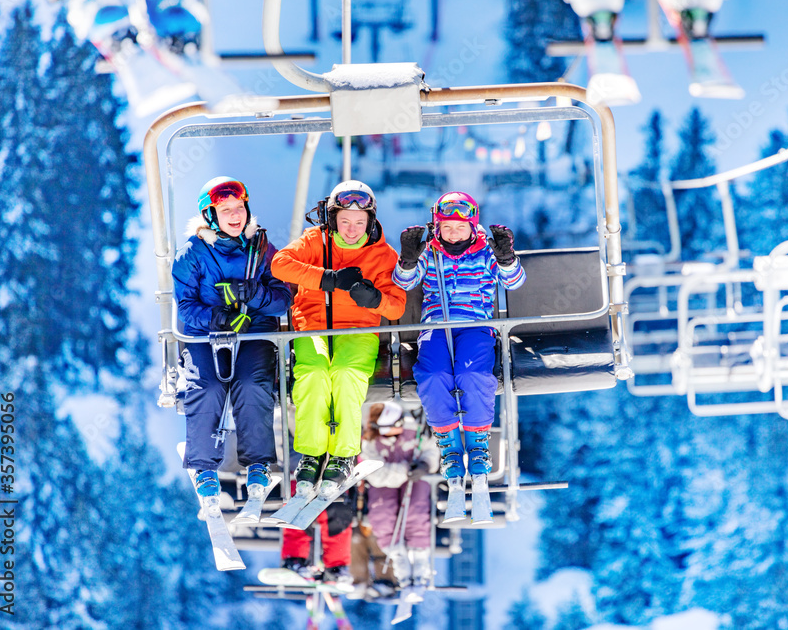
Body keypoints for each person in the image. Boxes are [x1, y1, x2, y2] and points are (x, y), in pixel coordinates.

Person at [391, 192, 525, 522]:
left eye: (459, 228)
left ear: (472, 226)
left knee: (471, 374)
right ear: (437, 228)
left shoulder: (485, 253)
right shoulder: (431, 253)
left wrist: (507, 258)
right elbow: (403, 283)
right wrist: (408, 259)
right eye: (446, 228)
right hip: (438, 325)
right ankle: (450, 446)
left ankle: (478, 445)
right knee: (433, 374)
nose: (453, 234)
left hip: (477, 325)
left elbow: (515, 282)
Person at [271, 180, 406, 500]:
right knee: (314, 373)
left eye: (360, 223)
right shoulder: (314, 242)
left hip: (358, 331)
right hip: (312, 327)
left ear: (371, 222)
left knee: (346, 374)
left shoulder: (383, 255)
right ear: (331, 219)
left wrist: (375, 300)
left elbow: (397, 305)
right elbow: (280, 265)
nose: (351, 229)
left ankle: (344, 454)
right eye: (344, 221)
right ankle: (313, 453)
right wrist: (326, 279)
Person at [171, 177, 292, 502]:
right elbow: (185, 306)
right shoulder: (192, 255)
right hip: (205, 336)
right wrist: (213, 317)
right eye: (226, 210)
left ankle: (258, 463)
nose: (236, 215)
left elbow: (284, 299)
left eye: (239, 208)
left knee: (253, 383)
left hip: (254, 331)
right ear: (210, 216)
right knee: (206, 386)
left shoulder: (262, 249)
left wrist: (256, 295)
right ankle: (204, 466)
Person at [361, 401, 439, 601]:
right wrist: (404, 471)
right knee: (381, 513)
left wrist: (424, 465)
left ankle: (420, 556)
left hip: (415, 479)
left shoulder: (416, 430)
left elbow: (432, 450)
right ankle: (397, 556)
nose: (385, 433)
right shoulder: (370, 439)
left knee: (416, 509)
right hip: (385, 482)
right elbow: (374, 472)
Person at [279, 485, 356, 589]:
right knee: (296, 508)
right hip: (302, 483)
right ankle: (295, 561)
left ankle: (336, 569)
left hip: (334, 487)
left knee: (338, 516)